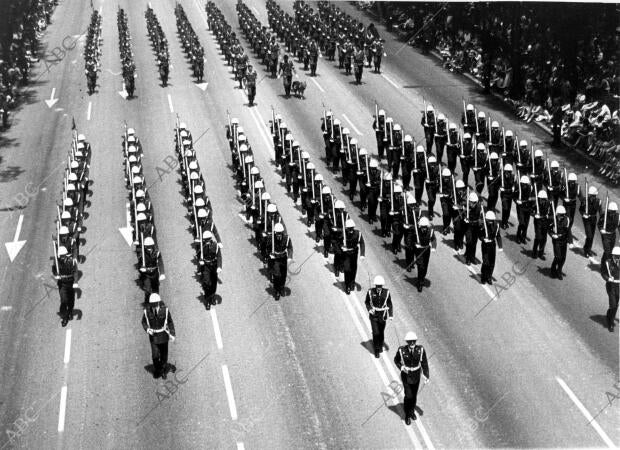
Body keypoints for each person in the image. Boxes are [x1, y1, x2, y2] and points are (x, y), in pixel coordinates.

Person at [394, 331, 429, 425]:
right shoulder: (402, 350)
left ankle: (412, 411)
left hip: (416, 376)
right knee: (408, 396)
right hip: (406, 376)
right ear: (407, 342)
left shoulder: (420, 350)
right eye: (410, 341)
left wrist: (426, 375)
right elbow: (396, 360)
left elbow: (424, 362)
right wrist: (401, 367)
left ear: (416, 341)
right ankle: (407, 415)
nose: (412, 343)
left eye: (413, 341)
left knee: (414, 396)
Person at [142, 293, 176, 379]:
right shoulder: (147, 311)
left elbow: (170, 322)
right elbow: (143, 322)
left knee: (164, 355)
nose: (153, 305)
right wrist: (147, 329)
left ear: (158, 302)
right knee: (155, 355)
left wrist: (172, 334)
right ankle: (158, 370)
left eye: (155, 303)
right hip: (153, 336)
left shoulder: (165, 310)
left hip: (163, 335)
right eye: (152, 304)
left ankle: (163, 370)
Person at [365, 276, 393, 358]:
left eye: (380, 286)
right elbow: (367, 302)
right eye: (377, 286)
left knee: (381, 332)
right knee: (375, 332)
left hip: (383, 316)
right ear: (375, 285)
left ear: (382, 286)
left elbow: (389, 304)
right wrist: (369, 309)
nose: (379, 288)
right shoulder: (370, 292)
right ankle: (376, 349)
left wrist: (390, 314)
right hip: (373, 316)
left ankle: (380, 345)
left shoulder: (387, 292)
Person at [53, 246, 77, 327]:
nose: (62, 257)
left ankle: (70, 311)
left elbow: (75, 271)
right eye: (61, 256)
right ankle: (65, 318)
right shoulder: (56, 262)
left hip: (70, 283)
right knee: (64, 301)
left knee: (71, 301)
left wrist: (75, 282)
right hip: (62, 284)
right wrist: (56, 274)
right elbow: (54, 270)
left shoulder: (71, 261)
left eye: (64, 255)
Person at [198, 230, 222, 309]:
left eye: (208, 239)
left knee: (214, 284)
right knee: (207, 283)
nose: (207, 241)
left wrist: (219, 266)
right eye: (206, 239)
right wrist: (200, 261)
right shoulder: (201, 247)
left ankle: (212, 297)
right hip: (206, 266)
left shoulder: (215, 246)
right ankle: (208, 301)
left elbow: (219, 256)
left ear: (211, 238)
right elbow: (199, 256)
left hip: (214, 266)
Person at [269, 223, 293, 300]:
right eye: (277, 233)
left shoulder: (287, 238)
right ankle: (277, 291)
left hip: (283, 258)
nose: (278, 235)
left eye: (280, 233)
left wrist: (290, 257)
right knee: (277, 275)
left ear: (282, 232)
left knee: (283, 275)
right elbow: (267, 247)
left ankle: (282, 288)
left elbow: (290, 248)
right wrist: (270, 254)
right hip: (275, 258)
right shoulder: (271, 238)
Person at [341, 219, 365, 294]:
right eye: (349, 228)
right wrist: (342, 247)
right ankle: (347, 285)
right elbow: (338, 242)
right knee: (347, 269)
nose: (350, 230)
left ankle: (352, 283)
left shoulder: (358, 233)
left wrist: (362, 254)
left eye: (352, 228)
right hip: (346, 253)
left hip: (354, 253)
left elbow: (362, 243)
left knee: (353, 269)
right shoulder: (343, 233)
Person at [412, 216, 436, 292]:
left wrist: (433, 247)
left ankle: (421, 278)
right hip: (418, 250)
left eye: (425, 227)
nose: (424, 229)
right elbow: (410, 239)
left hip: (426, 250)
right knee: (420, 266)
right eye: (422, 227)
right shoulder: (416, 230)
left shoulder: (431, 231)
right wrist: (415, 244)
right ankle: (420, 283)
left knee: (425, 267)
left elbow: (433, 239)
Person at [479, 211, 502, 284]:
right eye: (488, 221)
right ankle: (483, 277)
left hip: (492, 244)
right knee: (486, 262)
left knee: (492, 262)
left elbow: (498, 236)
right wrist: (483, 239)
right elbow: (479, 235)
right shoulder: (483, 225)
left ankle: (489, 277)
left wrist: (500, 246)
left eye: (491, 221)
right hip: (485, 245)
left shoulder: (497, 225)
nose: (489, 222)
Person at [579, 185, 601, 258]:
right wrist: (583, 214)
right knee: (589, 235)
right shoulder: (585, 201)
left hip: (593, 219)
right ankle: (586, 250)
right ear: (589, 195)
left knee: (592, 236)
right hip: (586, 219)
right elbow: (580, 210)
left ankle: (588, 249)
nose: (593, 197)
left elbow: (600, 212)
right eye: (592, 196)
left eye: (594, 196)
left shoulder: (598, 202)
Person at [603, 247, 620, 332]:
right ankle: (610, 323)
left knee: (616, 305)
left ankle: (610, 315)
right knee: (613, 304)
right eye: (616, 256)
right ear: (613, 255)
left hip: (619, 286)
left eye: (619, 256)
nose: (617, 258)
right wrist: (608, 278)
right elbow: (603, 272)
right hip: (611, 286)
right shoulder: (608, 263)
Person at [550, 205, 569, 280]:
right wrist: (552, 235)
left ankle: (559, 270)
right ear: (557, 214)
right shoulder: (553, 219)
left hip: (564, 240)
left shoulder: (566, 220)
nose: (562, 216)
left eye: (563, 215)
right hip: (556, 240)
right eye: (560, 215)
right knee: (558, 257)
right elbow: (548, 228)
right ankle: (553, 269)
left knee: (563, 258)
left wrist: (570, 242)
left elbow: (568, 231)